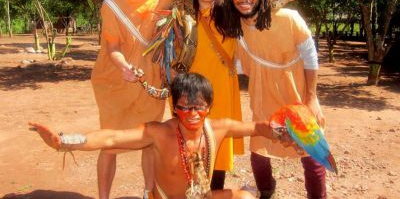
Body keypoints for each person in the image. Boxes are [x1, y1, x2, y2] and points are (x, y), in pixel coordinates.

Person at [29, 73, 294, 199]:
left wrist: (280, 132)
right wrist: (64, 141)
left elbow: (256, 127)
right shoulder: (158, 133)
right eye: (183, 106)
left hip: (202, 197)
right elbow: (110, 139)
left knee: (246, 198)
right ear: (174, 107)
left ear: (209, 106)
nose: (191, 113)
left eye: (198, 106)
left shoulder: (219, 127)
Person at [217, 0, 327, 199]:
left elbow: (310, 56)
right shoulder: (235, 28)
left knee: (312, 157)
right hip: (263, 98)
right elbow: (237, 66)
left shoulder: (289, 18)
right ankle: (268, 193)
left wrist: (312, 98)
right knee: (259, 155)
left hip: (297, 96)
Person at [90, 0, 173, 199]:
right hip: (115, 80)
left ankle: (150, 194)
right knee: (110, 143)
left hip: (152, 83)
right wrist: (124, 66)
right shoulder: (112, 5)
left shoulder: (169, 0)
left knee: (149, 142)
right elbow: (112, 47)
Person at [187, 0, 244, 190]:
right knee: (193, 142)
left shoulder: (230, 13)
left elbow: (258, 11)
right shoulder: (184, 17)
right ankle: (196, 191)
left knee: (217, 143)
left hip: (221, 86)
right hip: (193, 88)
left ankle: (215, 191)